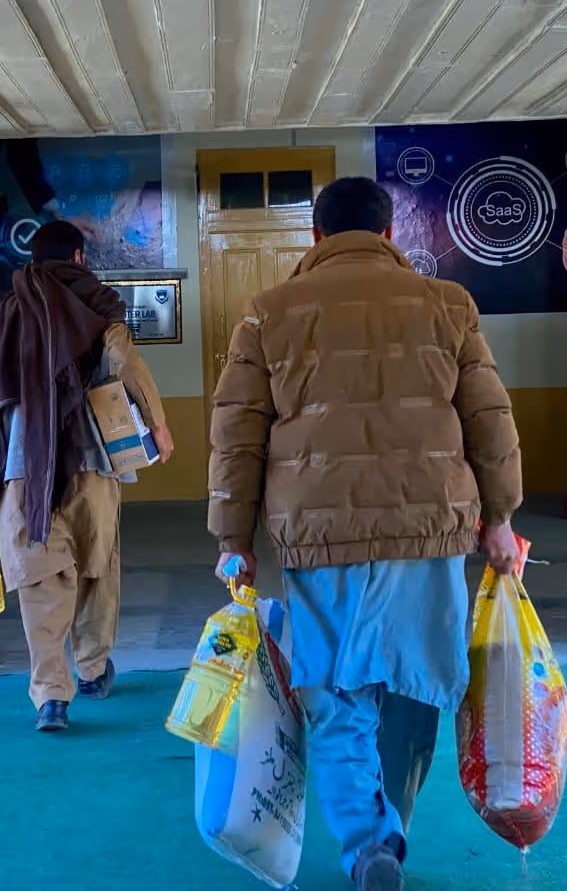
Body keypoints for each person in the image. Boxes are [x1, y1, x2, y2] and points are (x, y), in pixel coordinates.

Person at [206, 177, 522, 890]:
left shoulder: (269, 312)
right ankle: (393, 830)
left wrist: (233, 537)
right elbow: (490, 420)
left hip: (318, 538)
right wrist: (499, 519)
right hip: (429, 532)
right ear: (388, 233)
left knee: (334, 693)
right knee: (413, 688)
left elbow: (237, 437)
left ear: (315, 238)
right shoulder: (448, 304)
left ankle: (366, 846)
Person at [0, 221, 174, 732]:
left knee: (42, 576)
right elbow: (126, 364)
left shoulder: (9, 312)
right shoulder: (98, 306)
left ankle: (50, 697)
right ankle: (92, 668)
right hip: (94, 462)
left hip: (28, 467)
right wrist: (159, 426)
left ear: (33, 259)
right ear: (79, 258)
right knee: (96, 564)